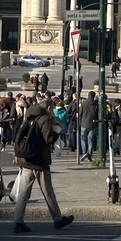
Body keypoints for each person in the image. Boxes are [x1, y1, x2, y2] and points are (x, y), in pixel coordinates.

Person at [13, 95, 74, 233]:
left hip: (26, 158)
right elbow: (48, 139)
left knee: (23, 193)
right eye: (52, 108)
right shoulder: (44, 119)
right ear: (48, 108)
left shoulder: (29, 115)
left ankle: (18, 221)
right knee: (48, 192)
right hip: (39, 160)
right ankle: (57, 219)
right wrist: (57, 130)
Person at [79, 90, 98, 161]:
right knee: (91, 140)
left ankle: (84, 152)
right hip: (92, 124)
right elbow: (97, 114)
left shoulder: (83, 103)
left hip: (84, 123)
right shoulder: (96, 104)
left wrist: (79, 122)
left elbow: (80, 113)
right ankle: (89, 155)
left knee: (83, 139)